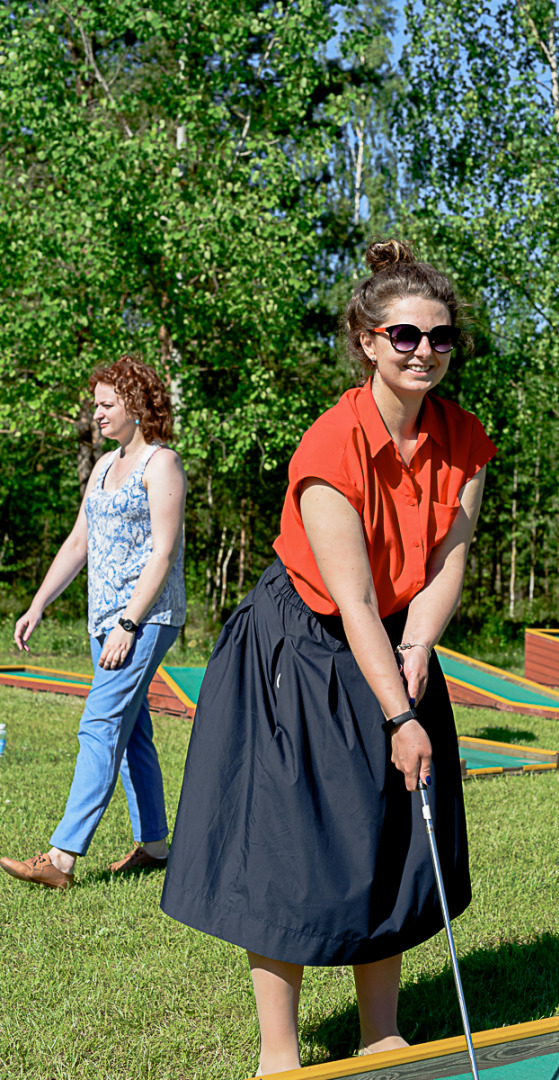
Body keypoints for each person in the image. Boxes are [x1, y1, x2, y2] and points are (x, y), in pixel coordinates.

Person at [161, 239, 497, 1075]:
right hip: (299, 647)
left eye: (441, 336)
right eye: (405, 337)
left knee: (386, 831)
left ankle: (379, 1029)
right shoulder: (330, 447)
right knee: (294, 845)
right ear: (367, 342)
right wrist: (399, 714)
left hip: (395, 633)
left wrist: (419, 645)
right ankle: (280, 1053)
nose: (425, 351)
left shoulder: (464, 438)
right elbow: (348, 599)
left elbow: (449, 560)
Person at [0, 356, 187, 890]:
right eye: (96, 405)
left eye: (107, 404)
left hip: (144, 618)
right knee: (132, 734)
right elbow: (79, 541)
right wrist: (38, 604)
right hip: (102, 616)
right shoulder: (105, 466)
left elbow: (163, 553)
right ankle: (154, 845)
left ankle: (60, 859)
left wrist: (129, 624)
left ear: (135, 403)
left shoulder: (162, 465)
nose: (96, 414)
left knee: (100, 724)